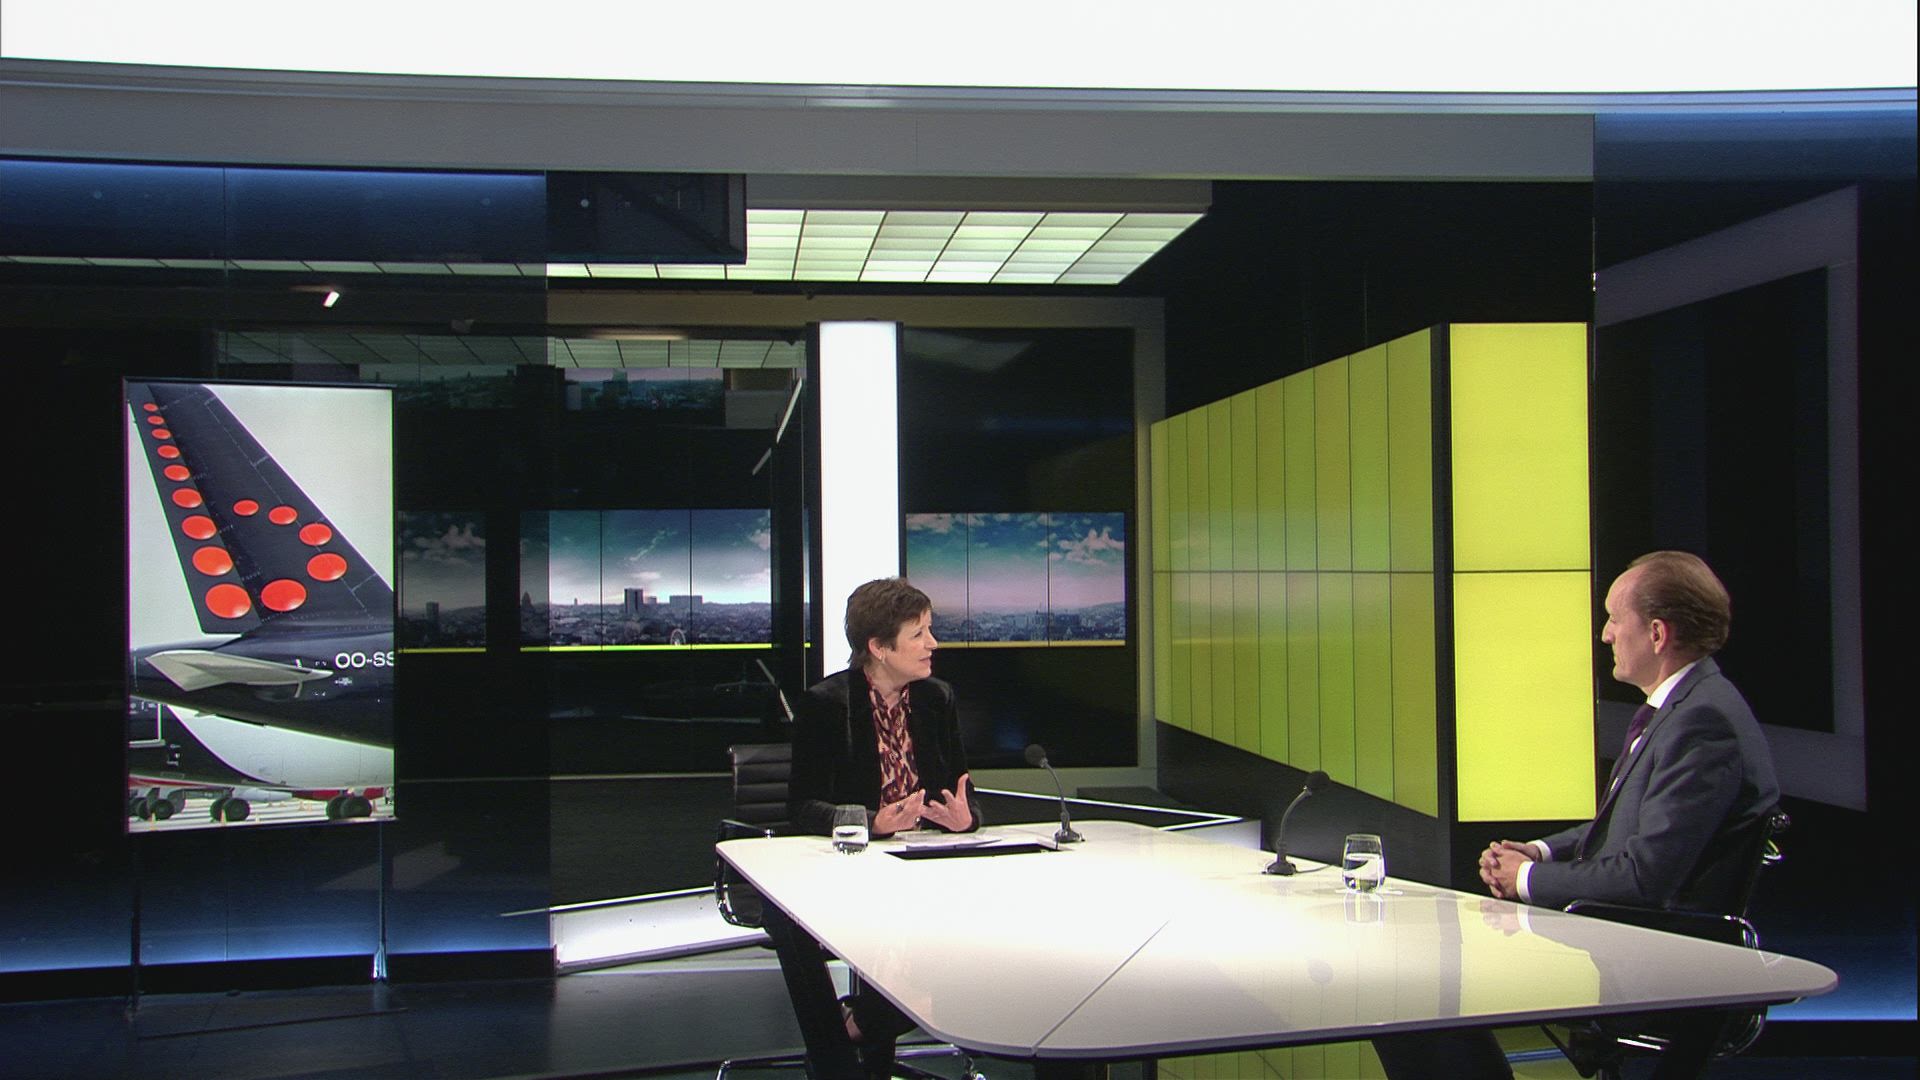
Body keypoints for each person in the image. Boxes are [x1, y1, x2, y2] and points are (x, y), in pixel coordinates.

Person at [1376, 552, 1780, 1080]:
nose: (1605, 634)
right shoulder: (1690, 707)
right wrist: (1538, 853)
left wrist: (1525, 880)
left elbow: (1644, 878)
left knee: (1417, 980)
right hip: (1625, 939)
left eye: (1614, 618)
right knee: (1418, 974)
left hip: (1651, 962)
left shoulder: (1703, 723)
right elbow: (1627, 825)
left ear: (1657, 634)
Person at [769, 577, 981, 1079]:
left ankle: (857, 1025)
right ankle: (851, 1041)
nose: (933, 644)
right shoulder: (827, 704)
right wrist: (870, 821)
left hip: (927, 868)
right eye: (919, 634)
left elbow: (962, 792)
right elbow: (802, 806)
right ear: (880, 648)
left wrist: (967, 818)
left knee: (984, 942)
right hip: (855, 868)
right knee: (796, 923)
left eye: (930, 630)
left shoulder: (936, 699)